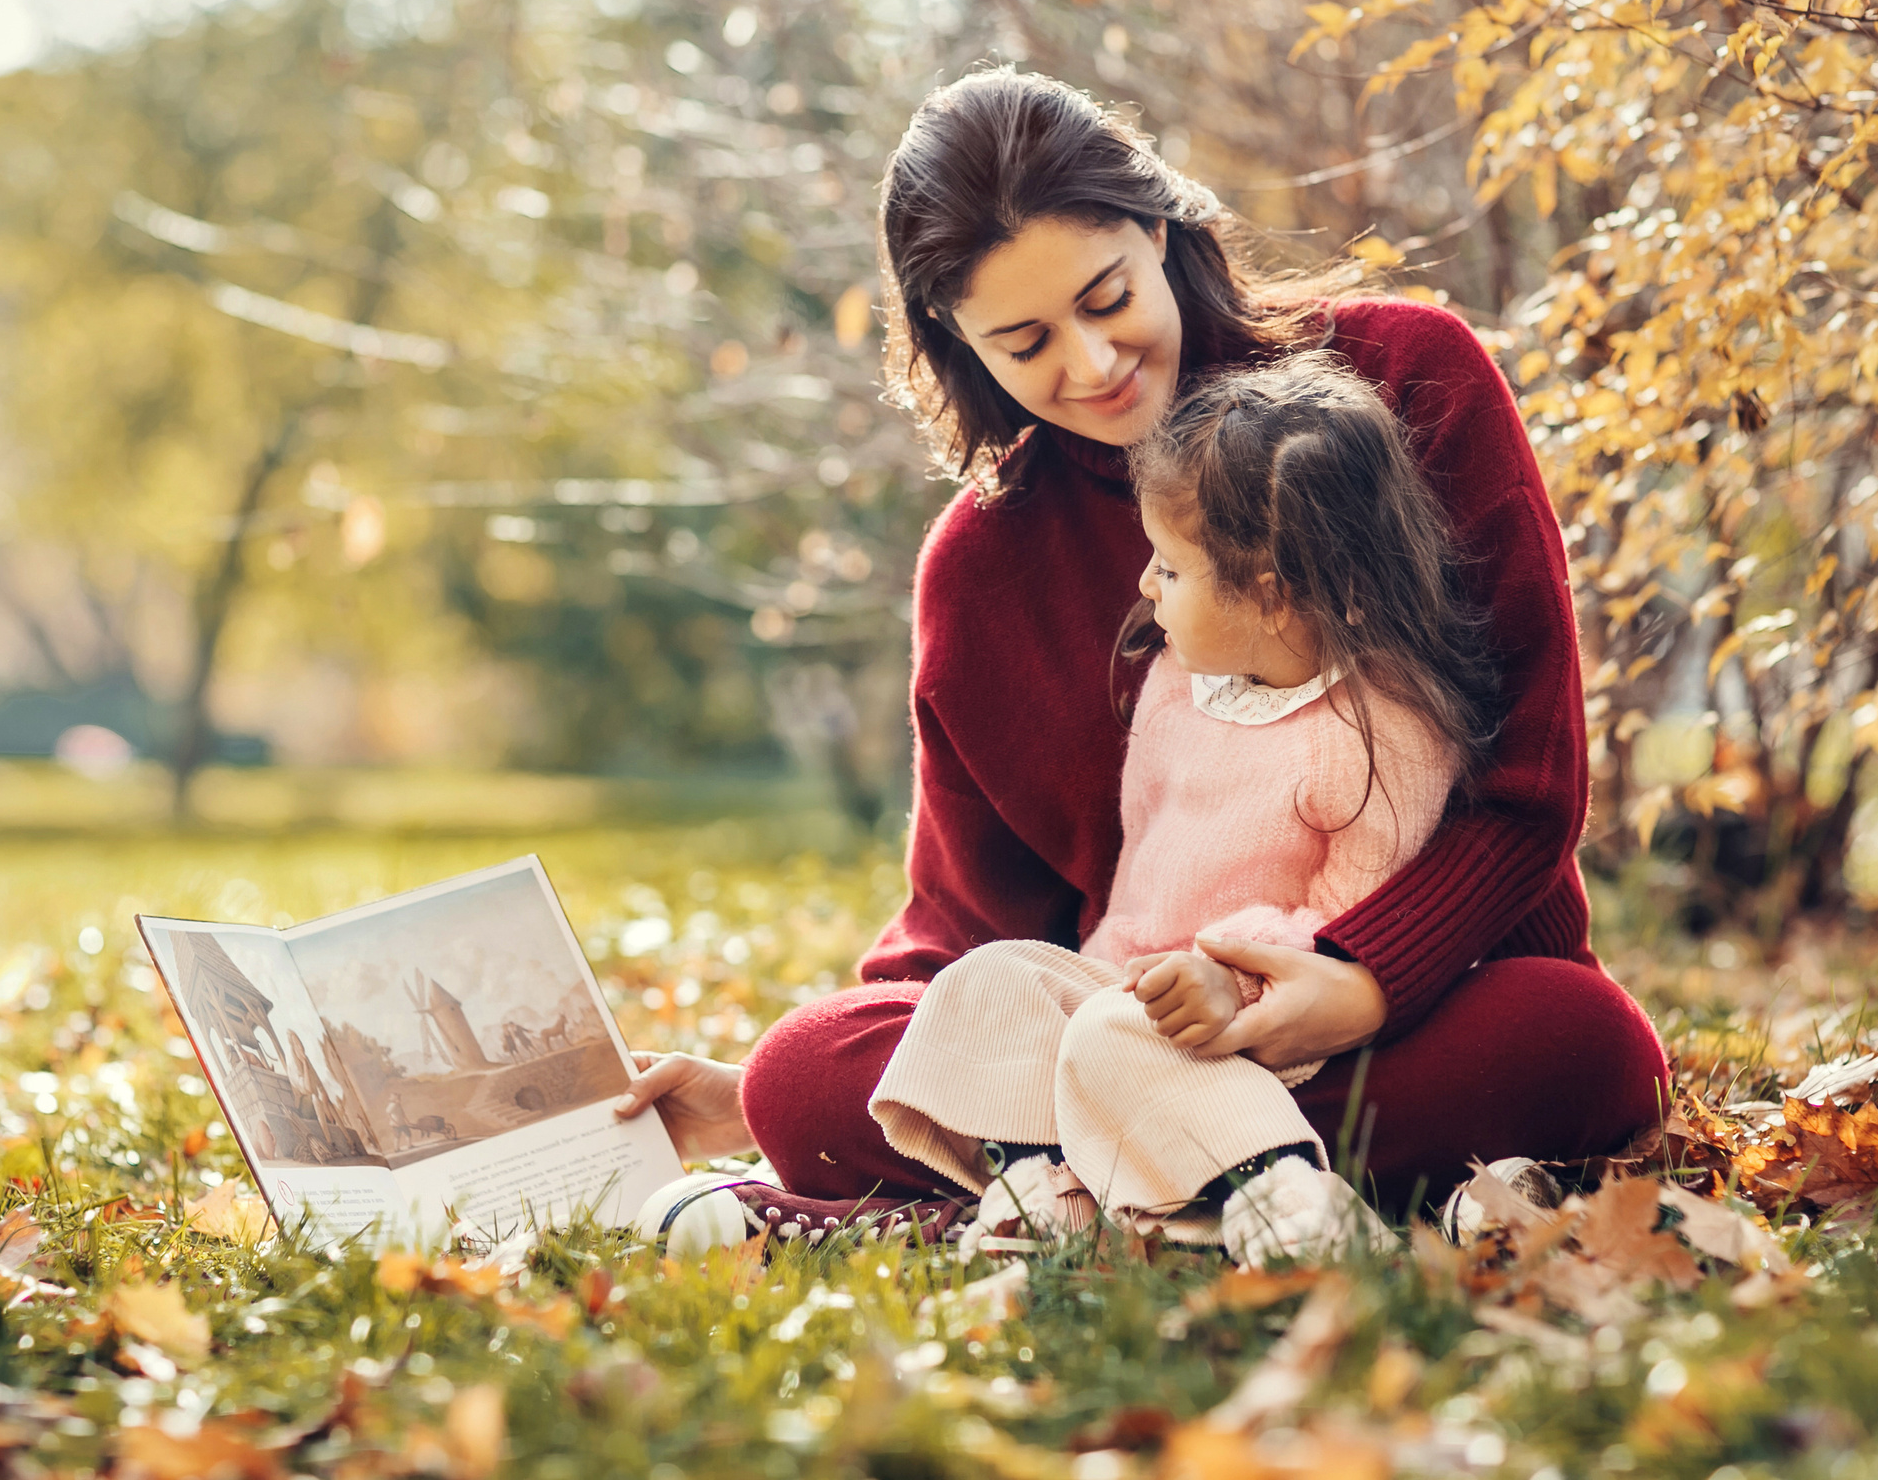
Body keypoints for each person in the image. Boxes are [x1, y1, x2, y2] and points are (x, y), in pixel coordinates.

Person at [619, 67, 1667, 1225]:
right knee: (800, 1072)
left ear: (1159, 226)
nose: (1090, 363)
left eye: (1106, 295)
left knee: (1580, 1045)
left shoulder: (1405, 378)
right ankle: (1226, 1193)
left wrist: (1363, 979)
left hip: (1421, 1003)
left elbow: (1527, 786)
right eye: (1024, 341)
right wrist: (799, 1088)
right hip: (1122, 1021)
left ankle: (1053, 1195)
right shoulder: (980, 566)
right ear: (956, 344)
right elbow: (969, 923)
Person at [864, 351, 1492, 1258]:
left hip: (1268, 1010)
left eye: (1172, 569)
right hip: (1139, 984)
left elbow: (1354, 919)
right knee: (992, 984)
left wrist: (1228, 983)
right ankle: (1052, 1178)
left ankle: (1279, 1187)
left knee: (1118, 1034)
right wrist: (1104, 973)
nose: (1146, 587)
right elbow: (1144, 872)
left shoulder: (1374, 730)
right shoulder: (1177, 684)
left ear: (1272, 598)